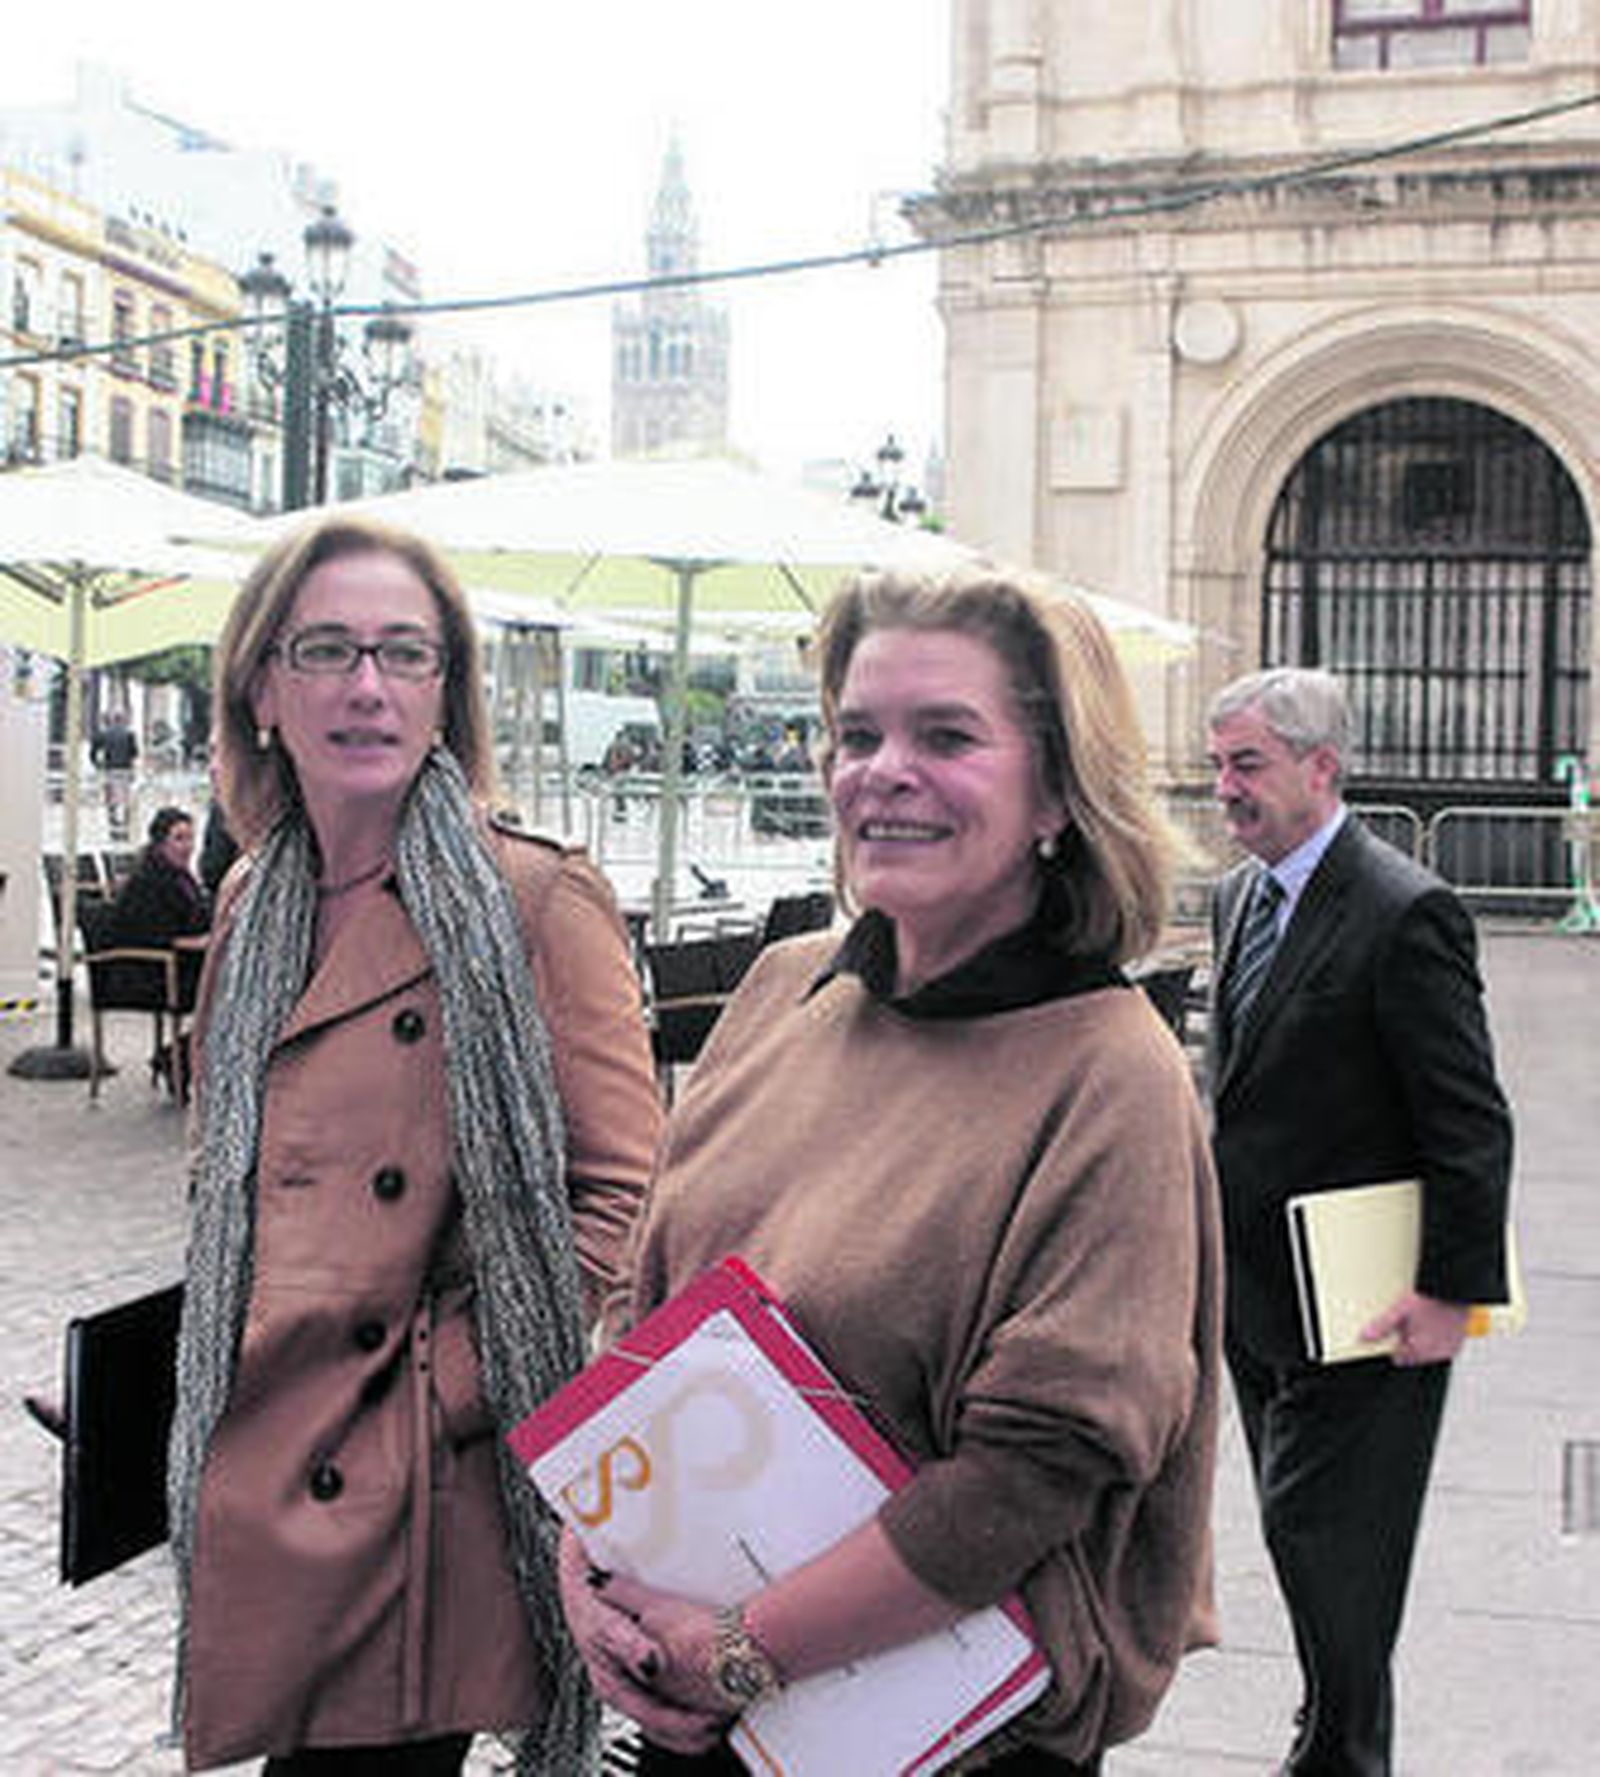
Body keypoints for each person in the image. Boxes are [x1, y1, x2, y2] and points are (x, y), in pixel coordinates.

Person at [562, 568, 1223, 1774]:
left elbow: (1029, 1474)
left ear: (1057, 789)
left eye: (947, 736)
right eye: (858, 734)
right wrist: (592, 1572)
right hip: (696, 1710)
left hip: (940, 1743)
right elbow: (640, 1321)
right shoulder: (787, 988)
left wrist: (741, 1651)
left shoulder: (1111, 1073)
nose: (884, 770)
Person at [169, 514, 662, 1776]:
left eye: (405, 652)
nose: (368, 686)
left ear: (448, 692)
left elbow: (627, 1195)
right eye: (326, 649)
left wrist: (436, 1394)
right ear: (262, 689)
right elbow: (234, 1189)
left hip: (425, 1491)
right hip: (266, 1447)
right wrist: (174, 1367)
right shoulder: (252, 900)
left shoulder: (536, 898)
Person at [1204, 667, 1513, 1777]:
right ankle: (1333, 1724)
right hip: (1258, 1291)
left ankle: (1343, 1752)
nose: (1224, 788)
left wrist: (1450, 1292)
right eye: (1217, 765)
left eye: (1246, 764)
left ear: (1320, 767)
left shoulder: (1404, 908)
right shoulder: (1237, 898)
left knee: (1327, 1538)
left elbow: (1468, 1119)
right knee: (1305, 1537)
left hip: (1369, 1296)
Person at [104, 805, 211, 948]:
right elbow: (146, 935)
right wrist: (195, 943)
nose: (188, 846)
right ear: (160, 844)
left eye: (190, 838)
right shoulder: (145, 882)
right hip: (157, 958)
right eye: (179, 839)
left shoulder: (182, 877)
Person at [91, 706, 139, 841]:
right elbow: (135, 753)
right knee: (126, 799)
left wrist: (97, 765)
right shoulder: (129, 734)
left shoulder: (104, 734)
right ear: (123, 720)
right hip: (125, 770)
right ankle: (125, 827)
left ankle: (113, 827)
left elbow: (93, 752)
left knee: (111, 800)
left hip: (110, 769)